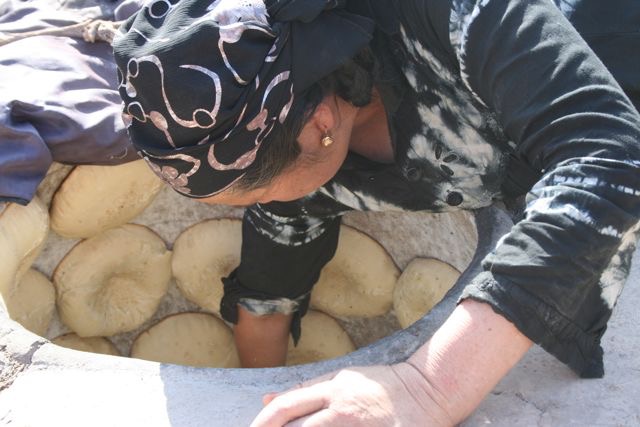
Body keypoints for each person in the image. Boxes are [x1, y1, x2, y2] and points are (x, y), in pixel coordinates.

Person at [112, 0, 640, 424]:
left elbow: (610, 159)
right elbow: (266, 299)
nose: (266, 209)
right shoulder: (289, 118)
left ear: (319, 124)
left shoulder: (460, 14)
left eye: (259, 194)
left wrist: (427, 388)